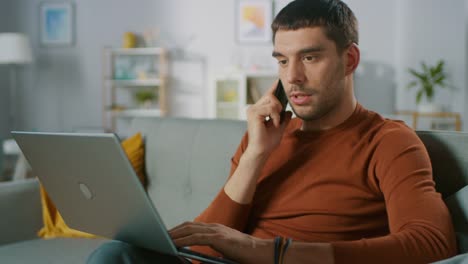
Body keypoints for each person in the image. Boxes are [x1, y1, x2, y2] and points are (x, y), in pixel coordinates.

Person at [88, 0, 457, 263]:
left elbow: (432, 243)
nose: (292, 76)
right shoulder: (262, 136)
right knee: (114, 254)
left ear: (350, 59)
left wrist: (269, 251)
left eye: (310, 58)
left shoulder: (388, 140)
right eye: (282, 60)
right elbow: (205, 247)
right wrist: (255, 155)